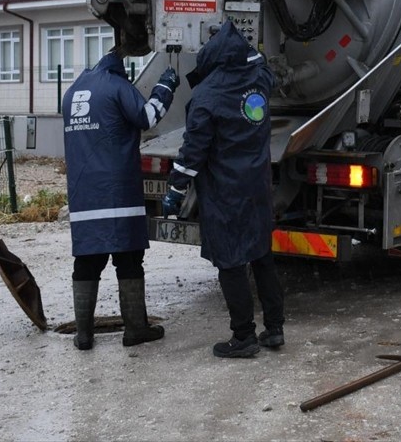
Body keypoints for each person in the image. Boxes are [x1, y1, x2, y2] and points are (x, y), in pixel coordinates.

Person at [162, 21, 285, 359]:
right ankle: (274, 328)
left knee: (230, 261)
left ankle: (243, 336)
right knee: (261, 255)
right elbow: (267, 72)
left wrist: (176, 188)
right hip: (257, 185)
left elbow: (193, 150)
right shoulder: (258, 80)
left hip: (225, 191)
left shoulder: (207, 95)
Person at [62, 46, 180, 351]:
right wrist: (165, 87)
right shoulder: (117, 86)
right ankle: (135, 330)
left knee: (87, 261)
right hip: (117, 192)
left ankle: (84, 335)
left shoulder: (73, 91)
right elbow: (148, 116)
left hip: (83, 193)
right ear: (120, 69)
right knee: (128, 260)